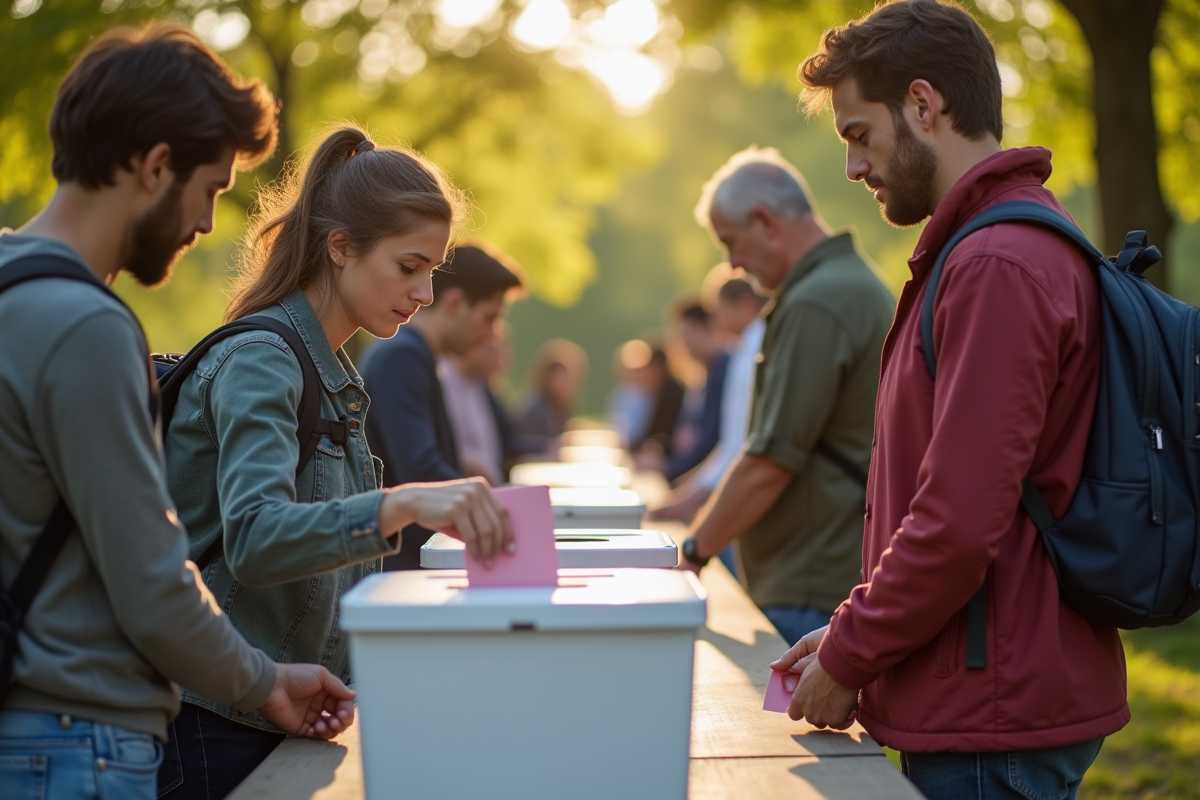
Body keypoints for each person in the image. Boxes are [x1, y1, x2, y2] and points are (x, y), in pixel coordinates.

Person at [771, 2, 1127, 797]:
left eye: (859, 134)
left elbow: (959, 521)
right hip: (980, 690)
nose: (854, 168)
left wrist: (851, 654)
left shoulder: (997, 263)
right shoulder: (984, 251)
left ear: (925, 106)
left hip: (992, 714)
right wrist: (854, 626)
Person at [0, 24, 356, 800]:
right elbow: (153, 585)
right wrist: (265, 680)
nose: (205, 224)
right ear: (155, 165)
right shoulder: (87, 327)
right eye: (212, 189)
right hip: (76, 746)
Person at [158, 126, 514, 798]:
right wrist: (401, 504)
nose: (426, 293)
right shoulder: (264, 360)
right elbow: (257, 537)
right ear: (341, 247)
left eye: (433, 272)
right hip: (212, 724)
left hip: (274, 712)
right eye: (409, 267)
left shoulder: (334, 372)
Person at [678, 146, 894, 646]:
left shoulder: (819, 300)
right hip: (816, 576)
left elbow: (771, 459)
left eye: (730, 242)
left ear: (765, 221)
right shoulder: (839, 285)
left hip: (810, 586)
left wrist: (691, 554)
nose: (731, 264)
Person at [361, 242, 525, 570]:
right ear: (455, 303)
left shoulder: (417, 357)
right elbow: (420, 471)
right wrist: (496, 512)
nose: (492, 335)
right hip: (399, 570)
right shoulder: (403, 357)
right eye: (489, 318)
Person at [651, 275, 766, 526]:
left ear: (745, 305)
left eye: (720, 310)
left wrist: (689, 495)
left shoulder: (747, 357)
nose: (714, 321)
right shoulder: (743, 353)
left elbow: (735, 446)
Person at [513, 338, 589, 456]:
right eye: (561, 377)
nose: (566, 383)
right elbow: (524, 446)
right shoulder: (535, 409)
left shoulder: (559, 406)